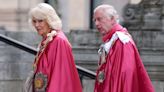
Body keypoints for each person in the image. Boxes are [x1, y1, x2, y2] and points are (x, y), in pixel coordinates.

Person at [93, 4, 155, 92]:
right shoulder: (112, 41)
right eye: (94, 20)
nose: (96, 24)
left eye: (99, 19)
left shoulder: (122, 41)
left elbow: (125, 77)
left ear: (113, 19)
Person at [26, 3, 82, 92]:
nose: (36, 25)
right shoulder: (48, 39)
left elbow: (60, 78)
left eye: (40, 21)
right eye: (34, 21)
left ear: (49, 21)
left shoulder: (59, 41)